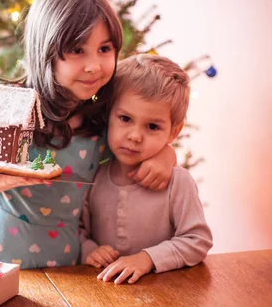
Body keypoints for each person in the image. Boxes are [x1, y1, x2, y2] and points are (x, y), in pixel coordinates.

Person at [0, 0, 177, 269]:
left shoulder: (103, 116)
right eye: (77, 50)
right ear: (45, 50)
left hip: (66, 257)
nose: (93, 66)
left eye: (104, 49)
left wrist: (166, 155)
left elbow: (137, 143)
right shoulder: (11, 105)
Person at [80, 54, 213, 284]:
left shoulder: (178, 182)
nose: (135, 136)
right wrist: (89, 249)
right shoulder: (94, 174)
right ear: (108, 115)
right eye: (125, 118)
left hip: (166, 296)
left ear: (173, 132)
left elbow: (197, 240)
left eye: (152, 126)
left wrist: (146, 259)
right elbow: (78, 229)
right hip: (102, 297)